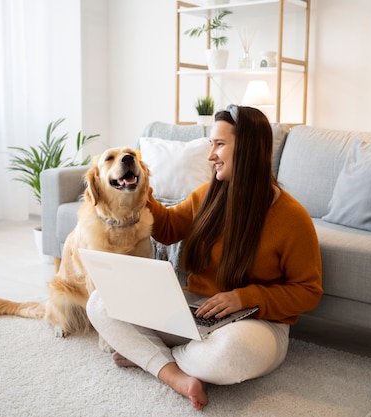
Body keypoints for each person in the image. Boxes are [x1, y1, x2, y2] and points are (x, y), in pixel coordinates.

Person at [86, 105, 323, 410]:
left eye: (219, 144)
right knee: (101, 302)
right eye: (211, 143)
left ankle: (151, 357)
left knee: (229, 357)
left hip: (256, 324)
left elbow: (308, 292)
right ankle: (176, 374)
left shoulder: (292, 217)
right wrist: (142, 191)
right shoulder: (208, 194)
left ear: (249, 149)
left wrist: (245, 297)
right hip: (196, 312)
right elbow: (169, 228)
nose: (211, 154)